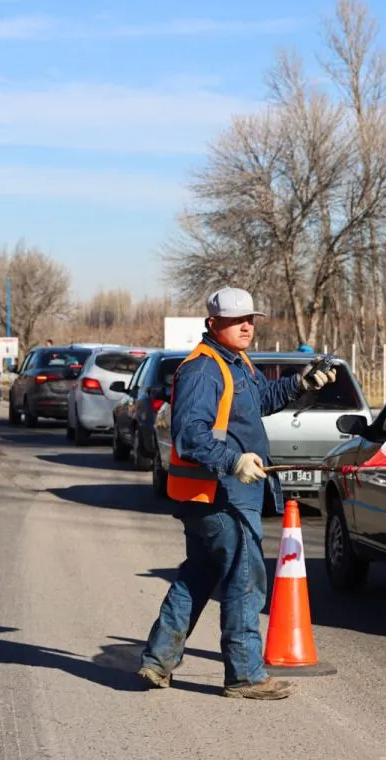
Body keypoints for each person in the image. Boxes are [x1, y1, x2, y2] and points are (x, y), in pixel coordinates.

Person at [138, 287, 336, 700]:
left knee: (199, 574)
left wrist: (301, 383)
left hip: (220, 493)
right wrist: (233, 461)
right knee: (246, 580)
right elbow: (190, 434)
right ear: (213, 325)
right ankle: (245, 675)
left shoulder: (236, 362)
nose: (247, 326)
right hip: (221, 493)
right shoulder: (203, 370)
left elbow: (260, 400)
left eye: (251, 319)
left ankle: (158, 661)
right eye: (236, 321)